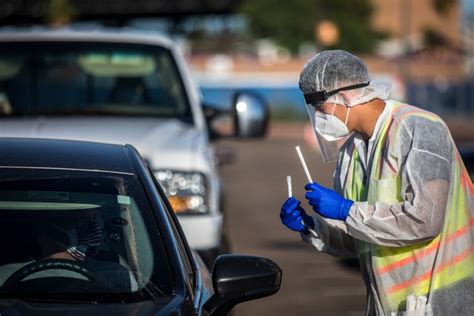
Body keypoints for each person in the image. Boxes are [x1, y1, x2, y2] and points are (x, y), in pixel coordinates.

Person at [280, 50, 473, 315]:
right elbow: (359, 237)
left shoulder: (419, 128)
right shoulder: (351, 153)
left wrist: (346, 210)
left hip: (442, 296)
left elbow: (426, 220)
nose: (319, 118)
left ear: (344, 97)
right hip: (390, 304)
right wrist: (313, 227)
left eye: (320, 108)